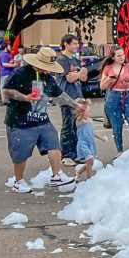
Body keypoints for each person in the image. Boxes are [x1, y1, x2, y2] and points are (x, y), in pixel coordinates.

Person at [1, 46, 79, 192]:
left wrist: (75, 105)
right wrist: (24, 97)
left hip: (42, 118)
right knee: (20, 154)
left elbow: (59, 95)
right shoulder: (20, 73)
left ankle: (56, 175)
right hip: (20, 121)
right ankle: (19, 181)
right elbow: (6, 91)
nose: (46, 70)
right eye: (44, 67)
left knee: (53, 144)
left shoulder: (47, 78)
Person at [99, 46, 129, 155]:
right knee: (116, 126)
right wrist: (109, 78)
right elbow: (102, 86)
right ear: (113, 57)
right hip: (113, 96)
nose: (121, 57)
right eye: (118, 55)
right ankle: (119, 151)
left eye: (123, 55)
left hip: (128, 95)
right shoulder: (108, 68)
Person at [56, 34, 88, 166]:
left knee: (76, 127)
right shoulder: (62, 60)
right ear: (65, 44)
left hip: (78, 96)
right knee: (67, 126)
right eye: (74, 44)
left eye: (77, 44)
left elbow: (84, 77)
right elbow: (69, 78)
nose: (77, 46)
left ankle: (75, 153)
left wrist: (79, 75)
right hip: (67, 97)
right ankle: (66, 155)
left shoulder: (75, 61)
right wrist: (79, 75)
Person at [73, 99, 102, 181]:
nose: (90, 112)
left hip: (90, 143)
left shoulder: (90, 120)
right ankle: (90, 178)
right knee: (90, 160)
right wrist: (84, 105)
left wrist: (102, 138)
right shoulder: (80, 120)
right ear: (81, 111)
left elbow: (92, 132)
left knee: (90, 162)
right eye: (88, 111)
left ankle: (78, 172)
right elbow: (81, 116)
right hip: (83, 144)